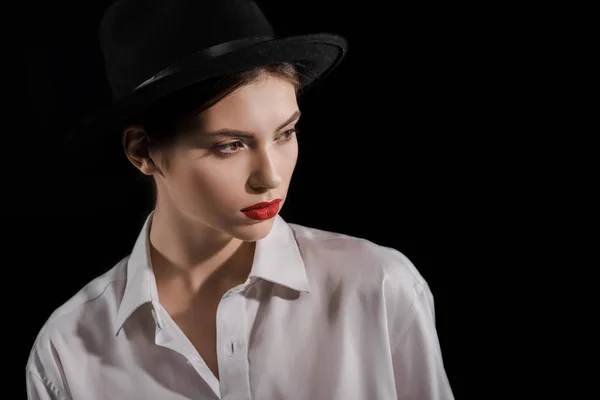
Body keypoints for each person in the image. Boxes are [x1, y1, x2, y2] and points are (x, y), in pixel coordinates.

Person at [25, 0, 454, 399]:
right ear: (142, 151)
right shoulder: (68, 351)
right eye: (229, 145)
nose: (270, 176)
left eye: (286, 133)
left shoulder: (378, 288)